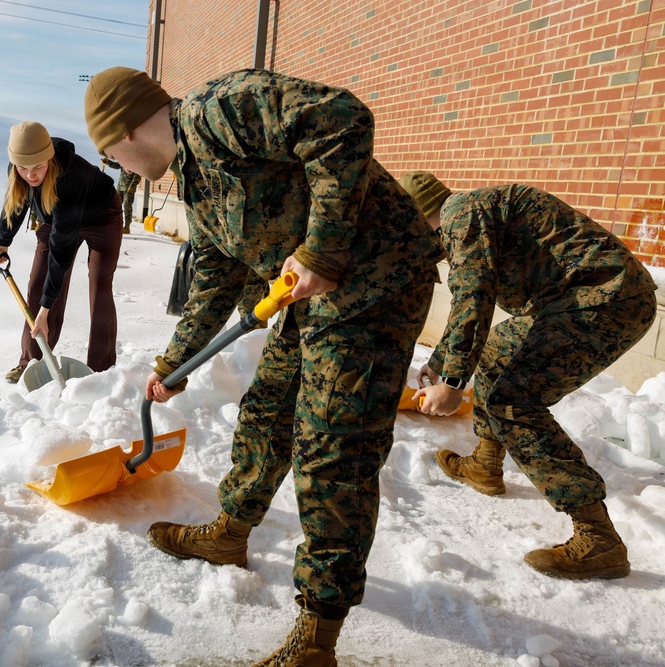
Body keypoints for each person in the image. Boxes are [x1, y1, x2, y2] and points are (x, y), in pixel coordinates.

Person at [84, 67, 444, 666]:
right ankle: (230, 532)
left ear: (123, 132)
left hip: (378, 282)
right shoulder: (195, 182)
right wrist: (176, 363)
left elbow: (342, 119)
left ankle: (317, 637)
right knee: (268, 408)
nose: (119, 168)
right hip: (317, 296)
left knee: (333, 446)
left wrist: (323, 246)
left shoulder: (219, 109)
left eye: (109, 154)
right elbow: (216, 277)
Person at [400, 171, 657, 580]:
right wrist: (443, 358)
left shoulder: (461, 214)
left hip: (605, 299)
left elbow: (473, 295)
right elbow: (471, 298)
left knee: (514, 399)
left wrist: (452, 385)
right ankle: (486, 463)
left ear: (417, 216)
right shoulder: (468, 214)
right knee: (497, 353)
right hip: (574, 298)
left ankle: (599, 539)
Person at [0, 121, 123, 383]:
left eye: (38, 167)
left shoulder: (69, 178)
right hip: (57, 216)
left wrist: (45, 310)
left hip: (101, 216)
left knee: (99, 285)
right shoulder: (20, 169)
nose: (30, 175)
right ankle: (30, 362)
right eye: (23, 168)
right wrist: (3, 241)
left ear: (49, 159)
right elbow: (16, 203)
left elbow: (60, 252)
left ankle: (100, 369)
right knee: (38, 283)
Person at [101, 158, 141, 233]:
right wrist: (108, 162)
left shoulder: (135, 162)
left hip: (129, 189)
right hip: (120, 187)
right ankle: (113, 224)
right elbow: (116, 165)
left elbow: (137, 176)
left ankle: (127, 227)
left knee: (127, 206)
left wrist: (132, 187)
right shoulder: (124, 160)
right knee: (115, 205)